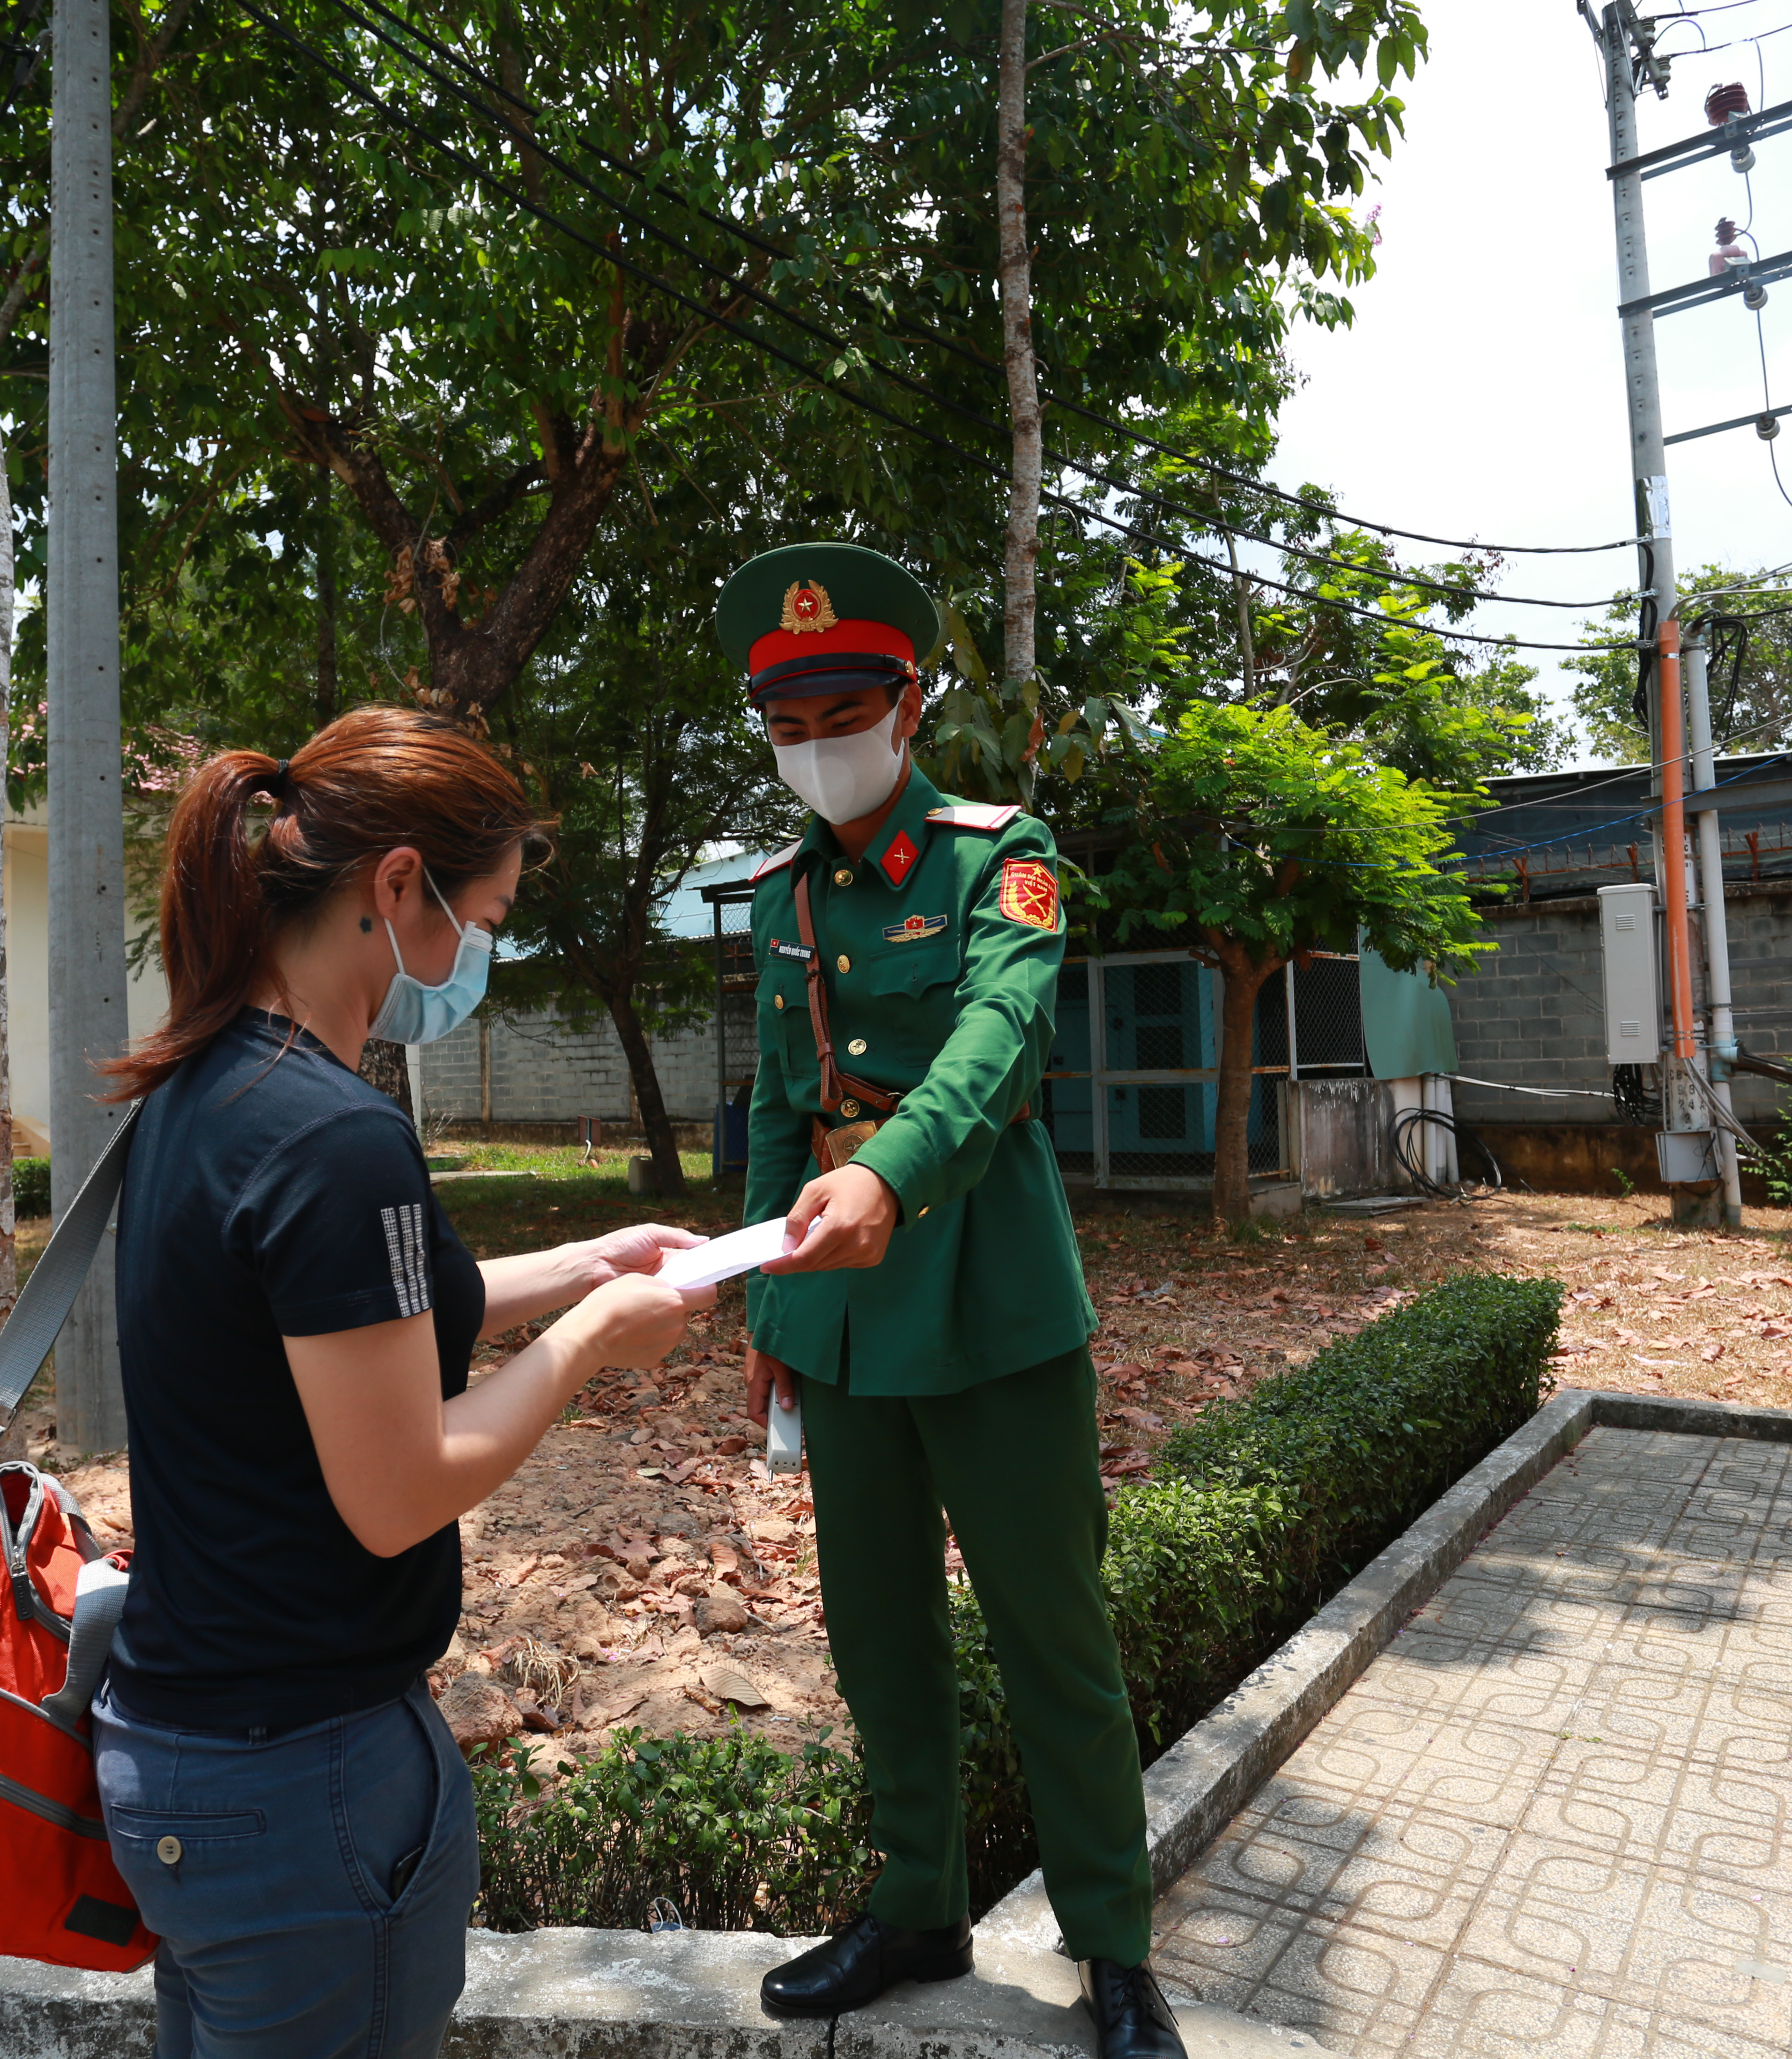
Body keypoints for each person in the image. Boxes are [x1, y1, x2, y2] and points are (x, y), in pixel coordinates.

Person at [92, 706, 710, 2059]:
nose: (472, 953)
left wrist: (585, 1258)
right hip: (299, 1777)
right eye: (479, 918)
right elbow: (397, 1490)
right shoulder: (337, 1137)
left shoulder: (211, 1090)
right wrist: (600, 1335)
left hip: (190, 1754)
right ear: (395, 886)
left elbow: (356, 1329)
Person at [723, 544, 1185, 2059]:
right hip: (843, 1326)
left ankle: (1114, 1950)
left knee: (1053, 1637)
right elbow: (780, 1108)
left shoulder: (1005, 856)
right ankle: (916, 1904)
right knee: (878, 1632)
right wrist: (765, 1316)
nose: (813, 748)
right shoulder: (785, 896)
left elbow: (997, 1043)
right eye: (783, 726)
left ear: (909, 704)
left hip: (986, 1297)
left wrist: (889, 1178)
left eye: (840, 711)